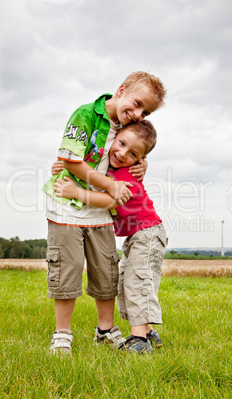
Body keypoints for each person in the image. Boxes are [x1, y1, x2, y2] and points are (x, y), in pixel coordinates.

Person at [42, 71, 166, 354]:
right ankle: (62, 333)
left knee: (106, 273)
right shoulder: (86, 114)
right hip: (68, 207)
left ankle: (106, 329)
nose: (137, 114)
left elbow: (133, 151)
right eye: (136, 104)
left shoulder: (125, 130)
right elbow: (72, 158)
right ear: (120, 90)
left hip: (100, 214)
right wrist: (107, 183)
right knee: (66, 270)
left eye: (144, 111)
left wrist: (143, 164)